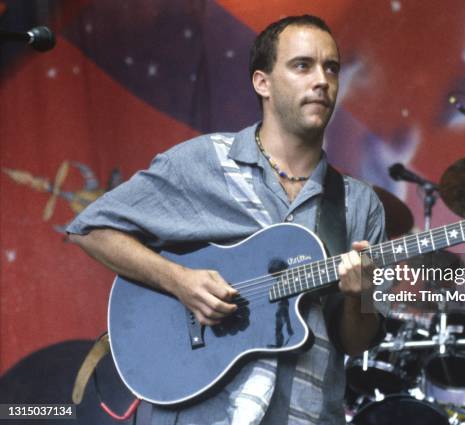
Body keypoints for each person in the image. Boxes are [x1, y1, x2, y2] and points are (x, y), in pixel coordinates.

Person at [67, 15, 386, 425]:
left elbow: (356, 343)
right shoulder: (204, 161)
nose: (322, 80)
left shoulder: (359, 205)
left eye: (332, 68)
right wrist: (180, 281)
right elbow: (90, 229)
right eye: (303, 65)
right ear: (262, 83)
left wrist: (361, 296)